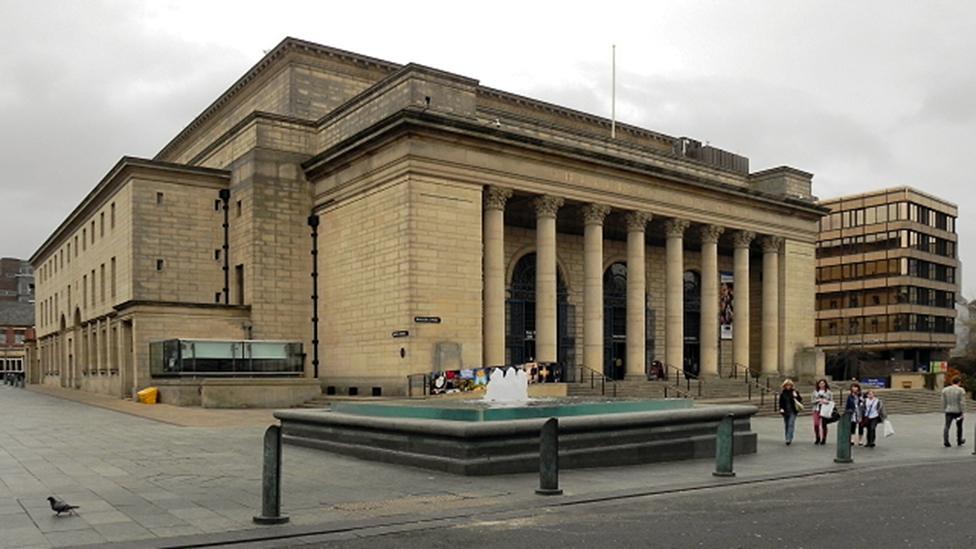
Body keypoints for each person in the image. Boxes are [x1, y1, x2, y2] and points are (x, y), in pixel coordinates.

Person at [942, 376, 967, 448]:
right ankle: (959, 440)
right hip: (958, 410)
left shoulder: (945, 390)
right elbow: (962, 402)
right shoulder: (961, 390)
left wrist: (945, 408)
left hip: (949, 410)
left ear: (952, 382)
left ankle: (946, 441)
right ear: (959, 382)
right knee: (959, 426)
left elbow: (943, 401)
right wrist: (963, 411)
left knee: (947, 426)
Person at [778, 379, 803, 445]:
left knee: (791, 424)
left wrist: (796, 396)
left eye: (789, 385)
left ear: (792, 386)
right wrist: (781, 409)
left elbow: (800, 400)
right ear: (784, 386)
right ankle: (787, 437)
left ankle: (788, 439)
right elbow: (780, 403)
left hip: (793, 411)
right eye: (787, 385)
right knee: (786, 425)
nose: (788, 386)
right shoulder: (783, 393)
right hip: (785, 411)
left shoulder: (795, 392)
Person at [812, 379, 833, 445]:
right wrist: (818, 400)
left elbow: (831, 401)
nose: (821, 385)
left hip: (825, 410)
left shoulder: (829, 392)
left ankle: (824, 438)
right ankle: (817, 437)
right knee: (816, 424)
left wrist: (826, 401)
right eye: (820, 383)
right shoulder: (815, 392)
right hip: (816, 409)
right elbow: (812, 401)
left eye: (823, 383)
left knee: (824, 425)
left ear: (825, 384)